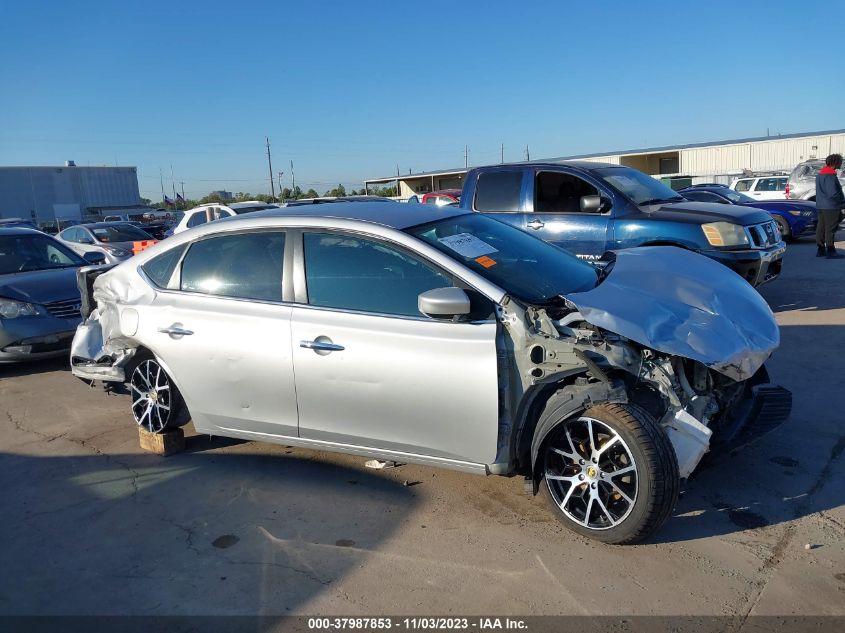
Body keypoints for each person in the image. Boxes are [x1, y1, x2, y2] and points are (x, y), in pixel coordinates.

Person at [816, 153, 845, 259]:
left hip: (821, 205)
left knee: (821, 227)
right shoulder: (830, 176)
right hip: (831, 206)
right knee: (830, 228)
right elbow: (833, 193)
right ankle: (831, 251)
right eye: (840, 162)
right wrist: (842, 203)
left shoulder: (820, 174)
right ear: (835, 163)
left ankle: (820, 250)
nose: (841, 164)